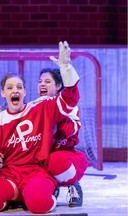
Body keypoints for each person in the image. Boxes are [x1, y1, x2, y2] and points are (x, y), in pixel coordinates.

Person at [0, 41, 81, 214]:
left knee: (39, 206)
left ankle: (45, 192)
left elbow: (70, 99)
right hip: (9, 174)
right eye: (10, 88)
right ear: (3, 93)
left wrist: (65, 67)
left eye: (19, 87)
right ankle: (18, 197)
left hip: (36, 171)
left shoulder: (41, 107)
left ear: (25, 92)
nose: (15, 91)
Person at [38, 68, 88, 207]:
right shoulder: (34, 106)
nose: (42, 84)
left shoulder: (70, 107)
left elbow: (69, 131)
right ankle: (49, 188)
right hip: (41, 158)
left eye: (48, 81)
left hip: (65, 156)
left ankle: (73, 184)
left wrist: (55, 114)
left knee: (55, 160)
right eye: (40, 81)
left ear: (59, 86)